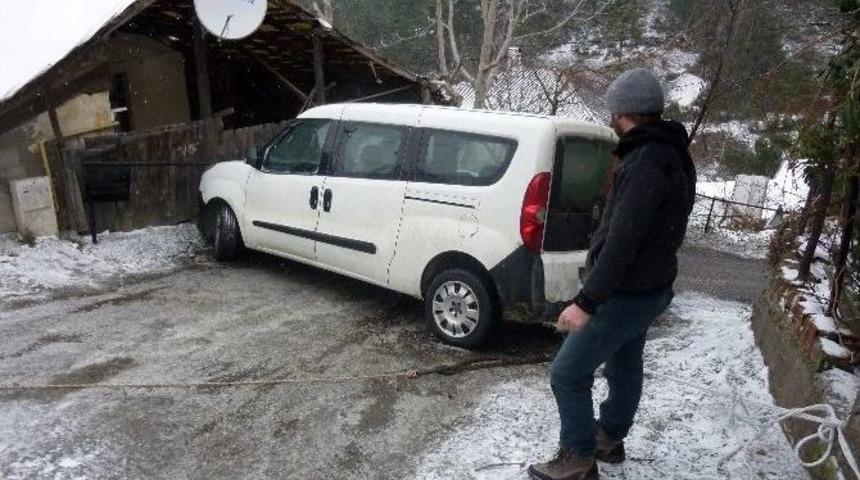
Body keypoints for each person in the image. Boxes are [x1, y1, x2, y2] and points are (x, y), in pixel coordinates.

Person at [528, 68, 697, 480]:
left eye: (612, 110)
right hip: (651, 286)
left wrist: (587, 301)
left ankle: (578, 458)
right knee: (624, 365)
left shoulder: (644, 161)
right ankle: (609, 438)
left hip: (625, 291)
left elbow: (624, 241)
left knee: (567, 373)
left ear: (622, 111)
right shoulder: (672, 150)